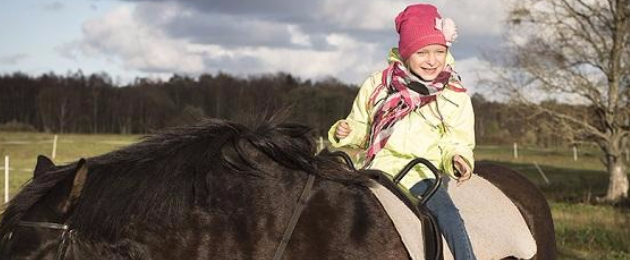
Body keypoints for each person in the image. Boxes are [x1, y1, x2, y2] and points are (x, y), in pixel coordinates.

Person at [327, 3, 477, 260]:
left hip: (419, 173)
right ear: (406, 53)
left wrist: (457, 157)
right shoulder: (378, 84)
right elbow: (363, 126)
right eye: (422, 52)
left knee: (449, 215)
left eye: (439, 51)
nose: (432, 60)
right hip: (373, 169)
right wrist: (346, 132)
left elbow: (457, 138)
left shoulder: (453, 93)